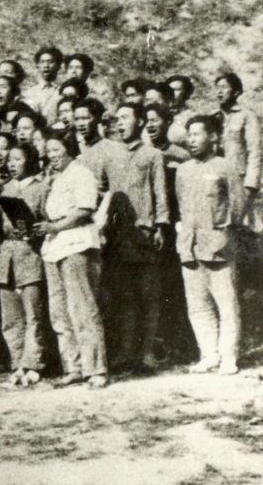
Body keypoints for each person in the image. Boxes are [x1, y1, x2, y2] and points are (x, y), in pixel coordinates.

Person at [37, 131, 108, 389]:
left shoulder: (81, 173)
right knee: (60, 311)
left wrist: (55, 227)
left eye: (57, 150)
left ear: (68, 150)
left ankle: (96, 369)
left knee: (83, 309)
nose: (52, 155)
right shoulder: (56, 179)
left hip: (77, 243)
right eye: (49, 151)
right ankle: (74, 367)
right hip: (54, 246)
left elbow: (84, 210)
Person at [106, 103, 169, 372]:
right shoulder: (110, 155)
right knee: (125, 296)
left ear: (140, 121)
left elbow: (160, 192)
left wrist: (161, 227)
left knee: (149, 295)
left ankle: (147, 353)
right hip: (118, 236)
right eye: (117, 119)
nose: (120, 123)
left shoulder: (153, 155)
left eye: (125, 118)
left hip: (144, 233)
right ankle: (126, 352)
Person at [175, 116, 241, 375]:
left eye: (197, 134)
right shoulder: (183, 170)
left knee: (227, 304)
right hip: (190, 246)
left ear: (212, 137)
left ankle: (228, 356)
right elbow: (181, 204)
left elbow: (238, 205)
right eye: (189, 135)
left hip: (218, 244)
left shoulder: (225, 167)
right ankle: (209, 354)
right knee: (198, 305)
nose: (191, 140)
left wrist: (222, 231)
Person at [0, 143, 47, 387]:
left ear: (30, 161)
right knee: (11, 316)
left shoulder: (41, 188)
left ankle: (33, 364)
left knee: (33, 313)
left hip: (31, 254)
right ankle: (17, 364)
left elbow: (47, 221)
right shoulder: (4, 189)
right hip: (7, 256)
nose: (12, 164)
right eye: (10, 160)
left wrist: (33, 232)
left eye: (18, 159)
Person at [215, 73, 260, 231]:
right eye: (217, 88)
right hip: (215, 179)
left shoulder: (247, 117)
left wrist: (251, 184)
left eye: (224, 88)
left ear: (236, 92)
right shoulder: (213, 117)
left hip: (238, 181)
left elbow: (255, 152)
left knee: (239, 226)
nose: (219, 92)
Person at [23, 47, 63, 124]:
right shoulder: (29, 93)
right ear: (37, 66)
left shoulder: (63, 90)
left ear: (58, 66)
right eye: (42, 62)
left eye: (50, 62)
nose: (46, 65)